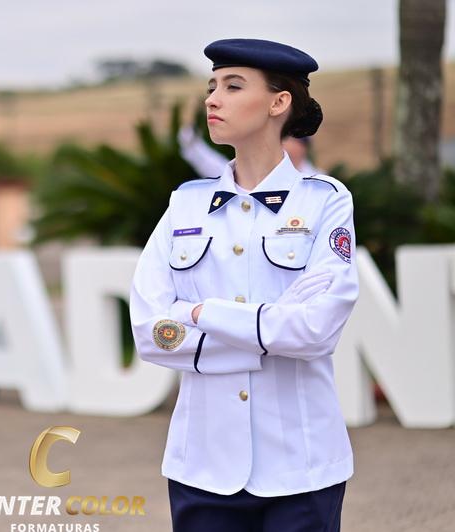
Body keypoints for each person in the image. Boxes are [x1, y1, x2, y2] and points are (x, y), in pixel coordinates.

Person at [129, 38, 358, 532]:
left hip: (302, 465)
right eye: (212, 86)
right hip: (201, 464)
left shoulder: (325, 202)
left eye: (233, 86)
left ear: (279, 102)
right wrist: (269, 329)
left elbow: (316, 330)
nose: (212, 99)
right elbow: (151, 332)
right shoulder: (185, 205)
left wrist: (198, 312)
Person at [179, 124, 323, 177]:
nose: (284, 143)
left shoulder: (316, 180)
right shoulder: (259, 171)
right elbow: (214, 166)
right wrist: (193, 146)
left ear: (302, 147)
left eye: (291, 139)